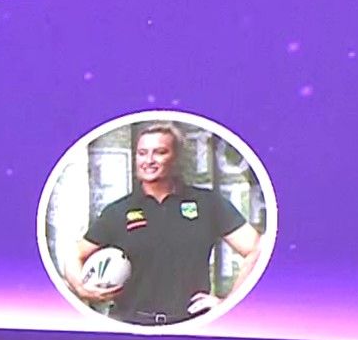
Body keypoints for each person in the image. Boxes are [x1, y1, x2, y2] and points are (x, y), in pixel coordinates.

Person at [63, 122, 264, 326]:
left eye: (159, 152)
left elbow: (256, 249)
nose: (149, 160)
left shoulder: (208, 203)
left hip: (191, 325)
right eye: (142, 153)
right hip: (131, 325)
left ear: (176, 157)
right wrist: (81, 288)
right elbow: (75, 255)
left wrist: (229, 304)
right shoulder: (118, 211)